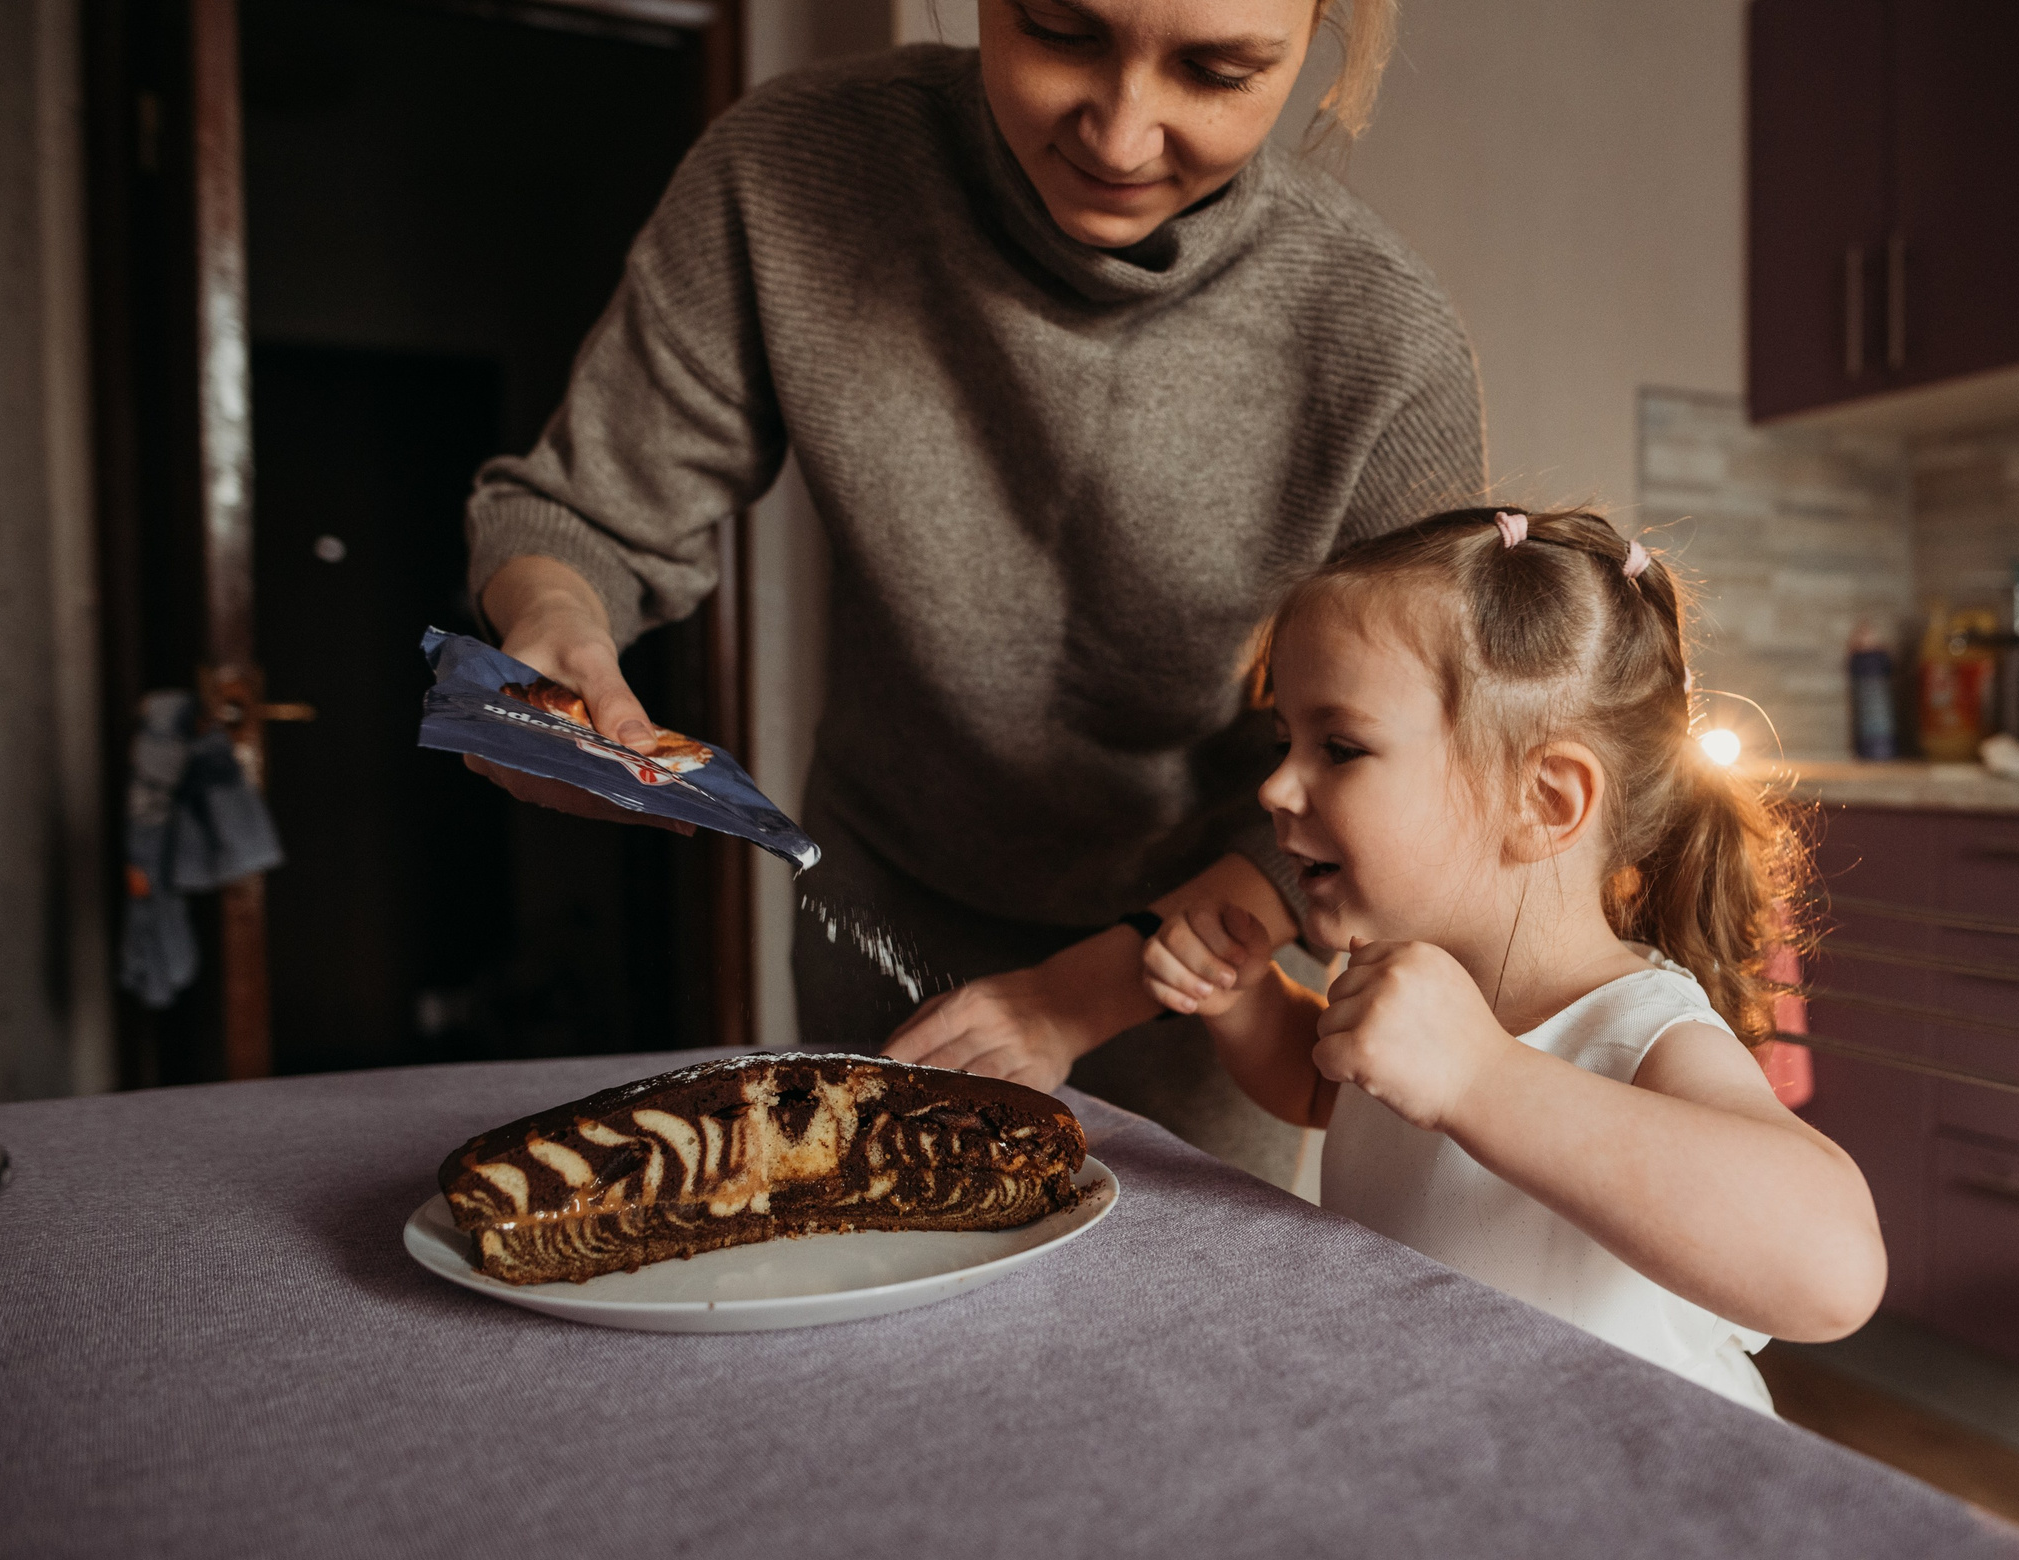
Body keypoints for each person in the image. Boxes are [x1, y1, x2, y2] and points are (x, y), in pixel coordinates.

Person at [462, 0, 1484, 1186]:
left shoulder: (1383, 341)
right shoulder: (794, 170)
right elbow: (578, 519)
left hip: (1197, 975)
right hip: (880, 936)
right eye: (1059, 30)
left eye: (1213, 70)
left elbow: (1394, 773)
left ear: (1319, 41)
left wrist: (1085, 991)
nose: (1118, 133)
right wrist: (551, 638)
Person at [1140, 508, 1886, 1409]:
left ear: (1543, 800)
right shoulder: (1398, 976)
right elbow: (1324, 1088)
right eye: (1282, 743)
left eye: (1339, 747)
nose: (1273, 786)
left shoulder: (1641, 1032)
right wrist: (1247, 1002)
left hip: (1627, 1507)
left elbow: (1835, 1269)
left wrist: (1482, 1078)